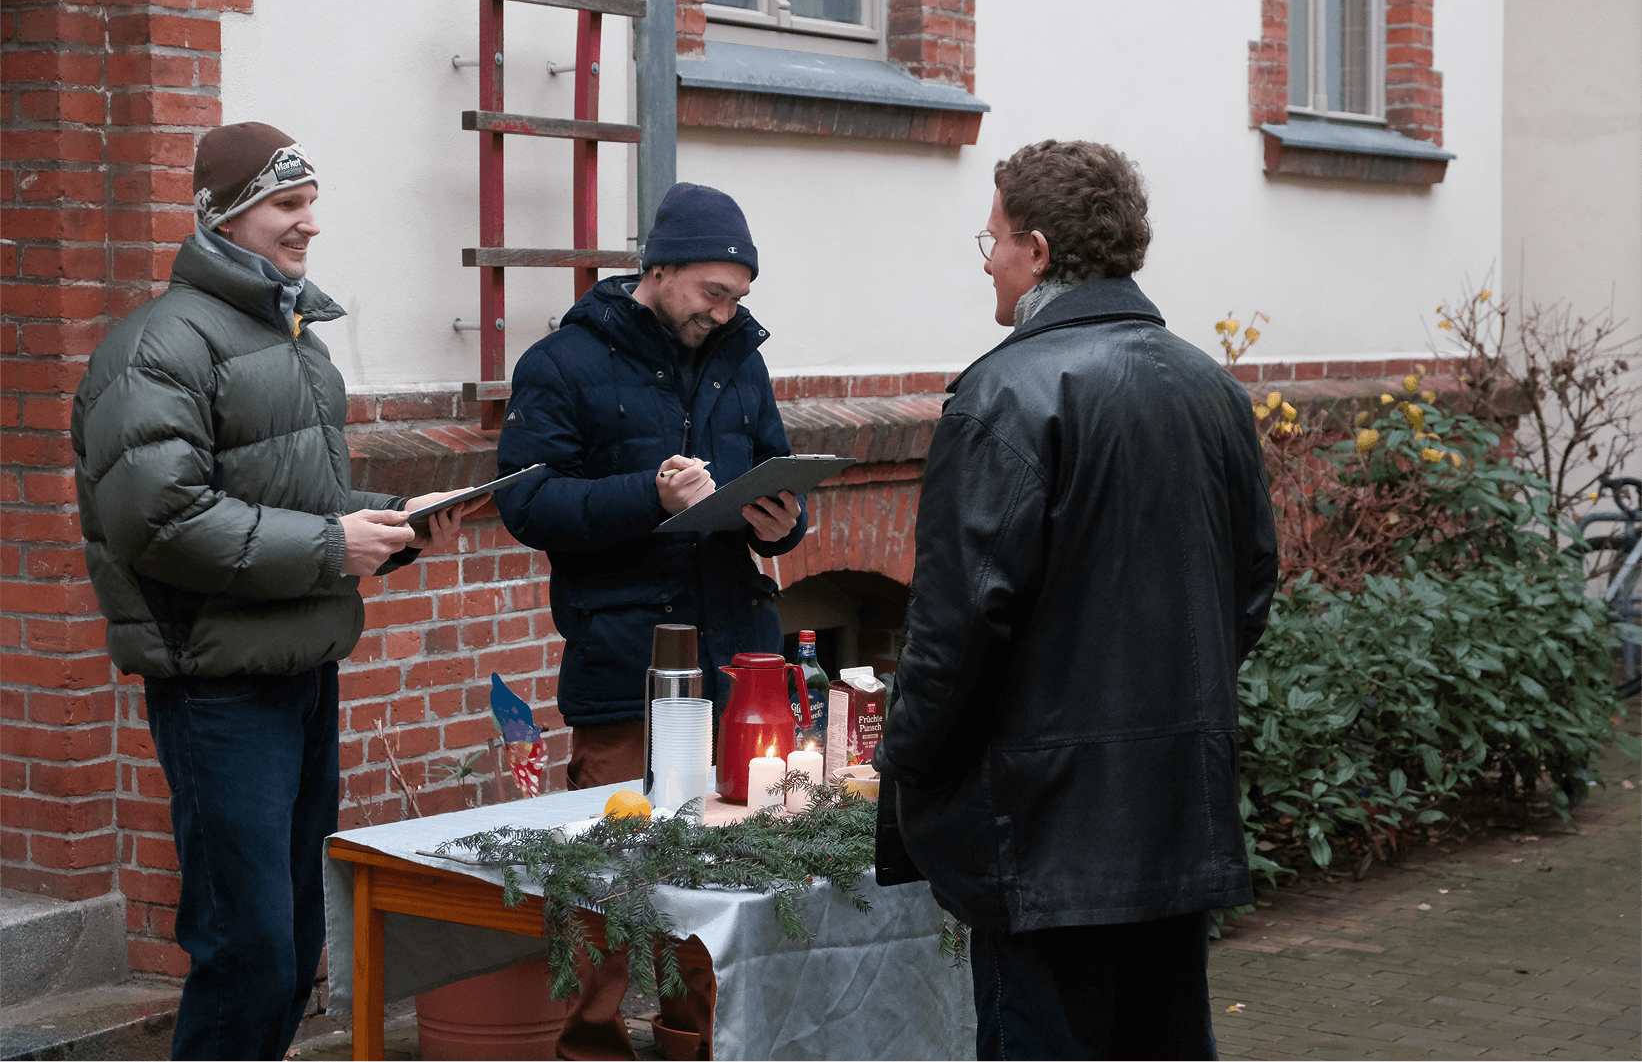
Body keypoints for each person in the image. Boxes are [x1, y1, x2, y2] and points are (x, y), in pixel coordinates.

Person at [71, 121, 484, 1062]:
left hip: (301, 673)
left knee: (295, 941)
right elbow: (160, 522)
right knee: (247, 947)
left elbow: (294, 507)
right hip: (218, 690)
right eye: (286, 204)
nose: (309, 224)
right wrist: (335, 545)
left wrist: (394, 524)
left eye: (311, 203)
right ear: (224, 217)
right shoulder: (155, 348)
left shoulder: (292, 339)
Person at [874, 140, 1279, 1061]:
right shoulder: (1212, 387)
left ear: (1040, 250)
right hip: (1174, 813)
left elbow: (955, 632)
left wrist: (907, 769)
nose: (989, 261)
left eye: (995, 239)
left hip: (1040, 830)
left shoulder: (1002, 395)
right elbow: (1249, 588)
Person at [493, 182, 807, 1060]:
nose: (725, 311)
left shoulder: (741, 360)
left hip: (733, 657)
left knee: (719, 880)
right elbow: (527, 503)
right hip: (624, 663)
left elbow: (773, 467)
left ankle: (692, 1047)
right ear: (659, 268)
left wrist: (782, 521)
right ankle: (589, 1049)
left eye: (738, 296)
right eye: (713, 291)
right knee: (609, 880)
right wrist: (650, 495)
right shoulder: (562, 362)